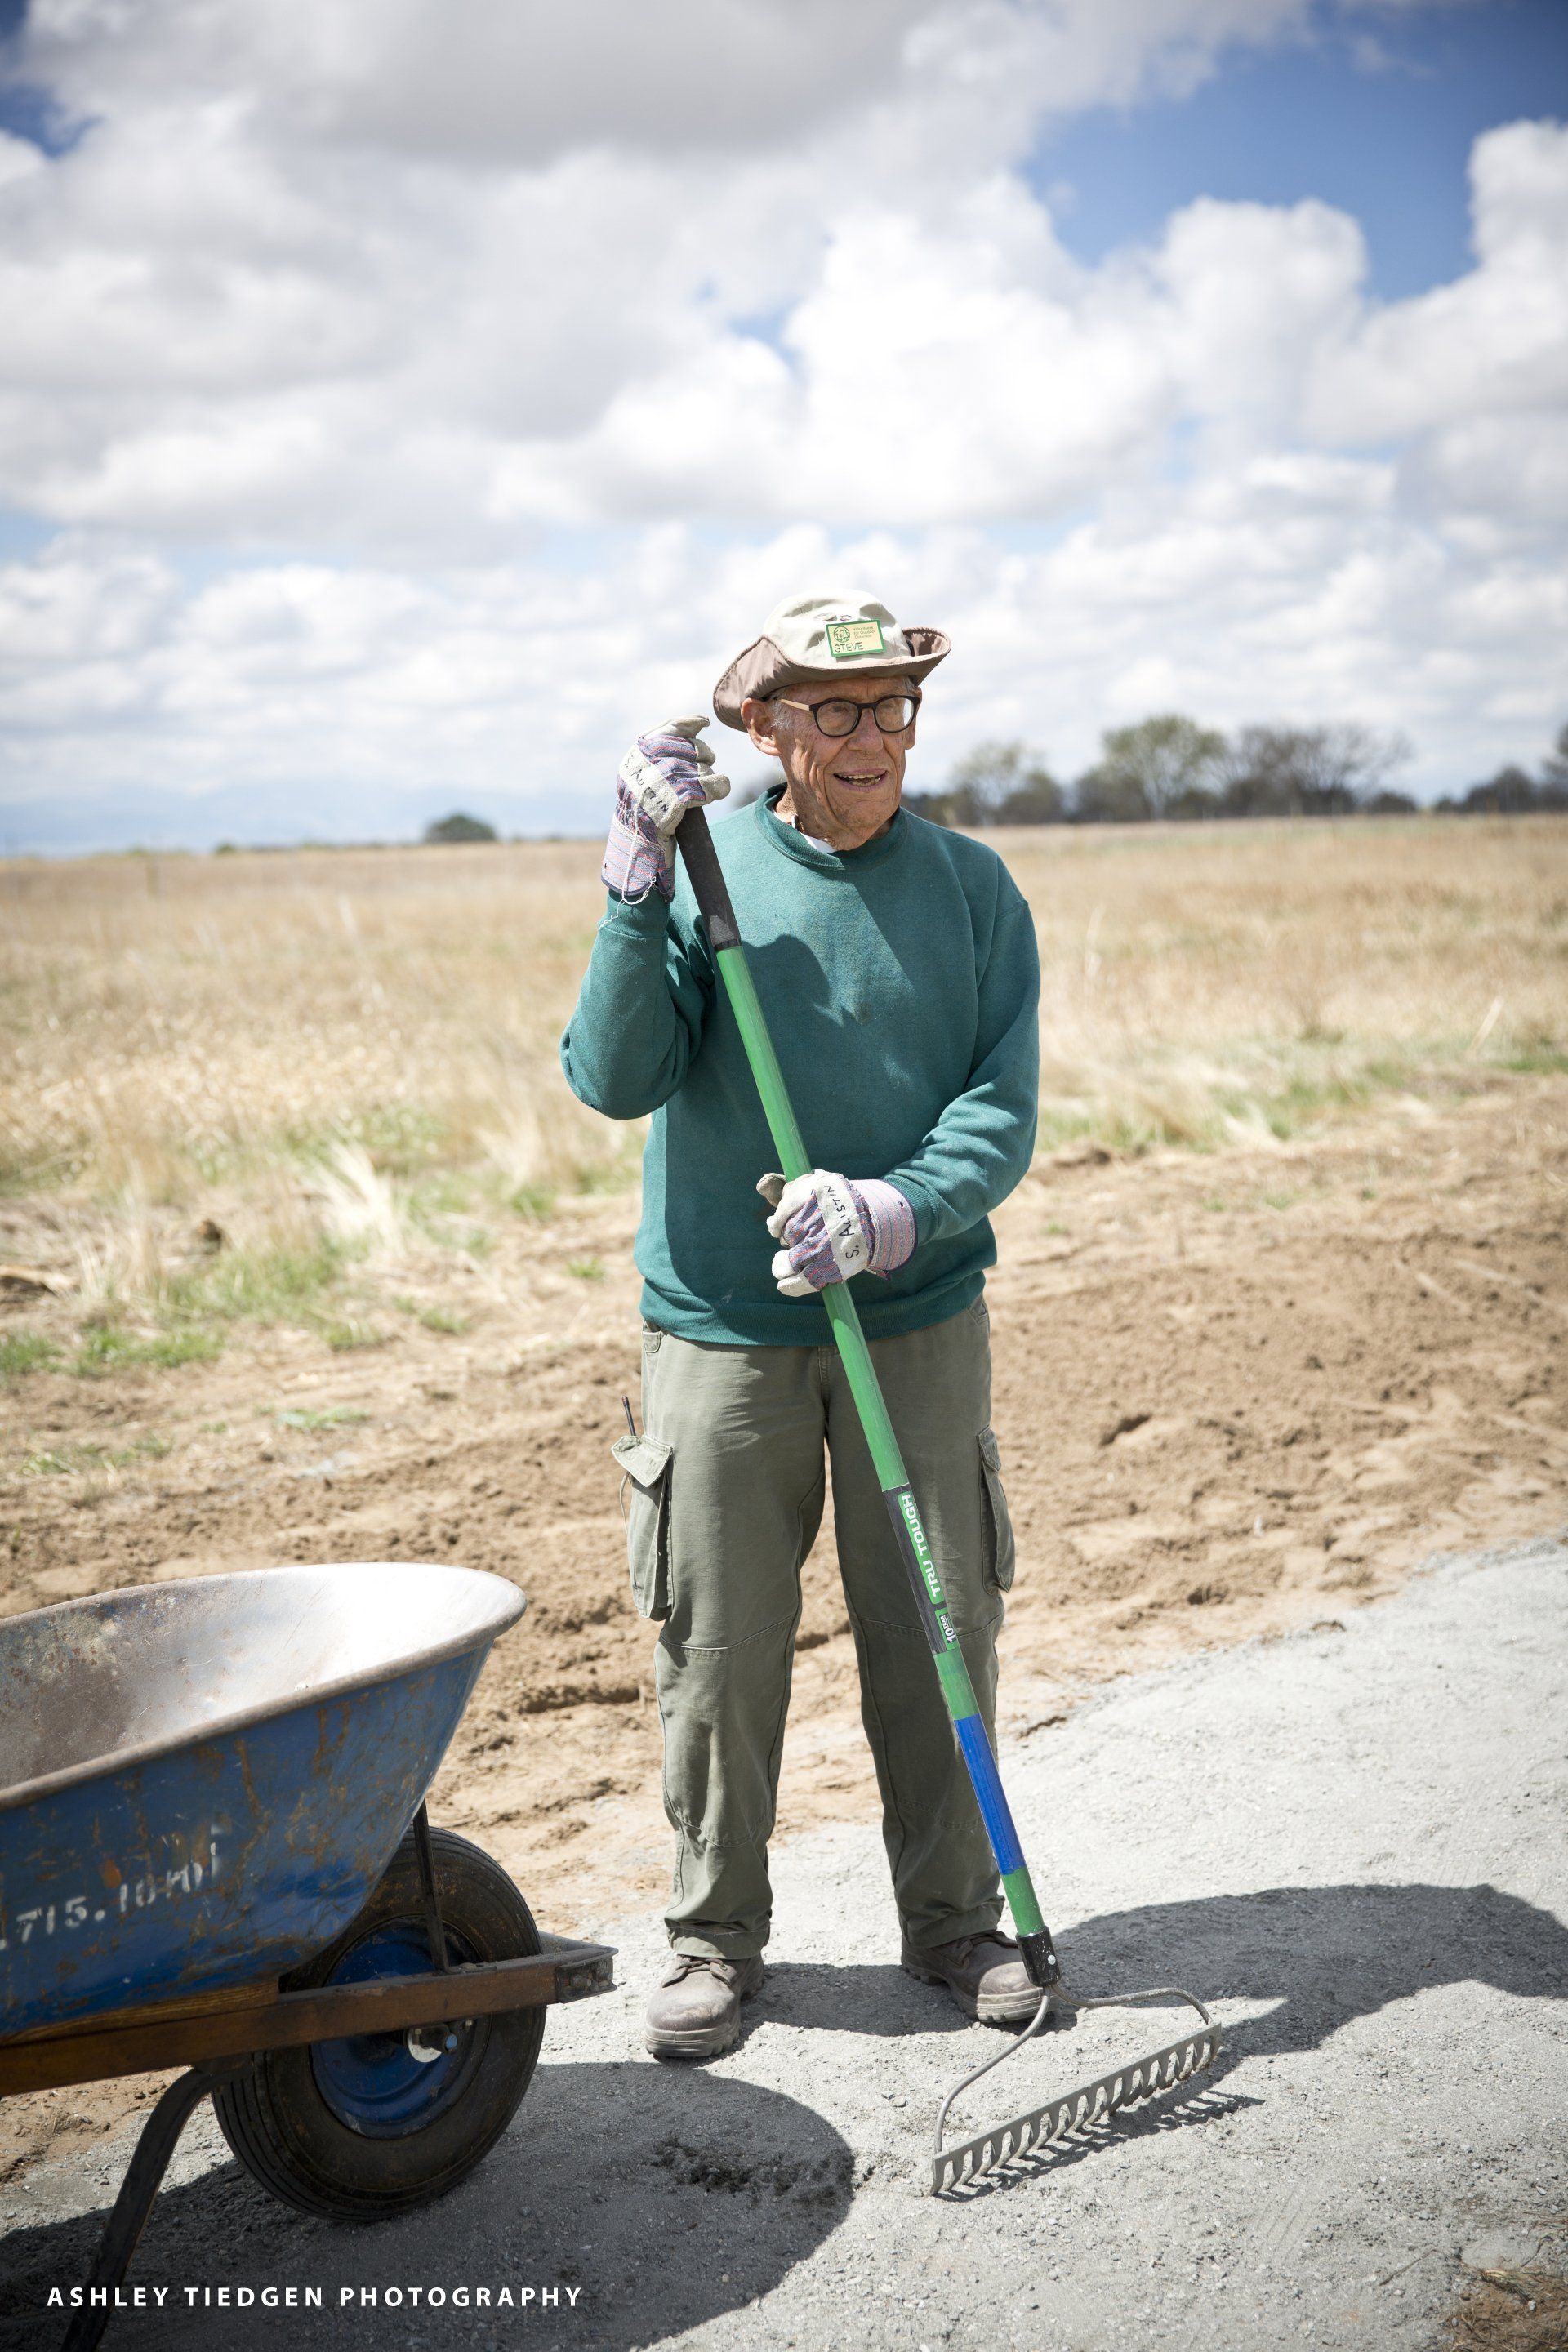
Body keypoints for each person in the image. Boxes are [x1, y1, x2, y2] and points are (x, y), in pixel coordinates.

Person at [559, 593, 1041, 2059]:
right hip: (722, 1328)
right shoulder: (709, 872)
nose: (876, 738)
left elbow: (1000, 1110)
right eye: (838, 710)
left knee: (938, 1630)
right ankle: (714, 1943)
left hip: (915, 1319)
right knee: (719, 1648)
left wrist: (895, 1212)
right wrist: (635, 890)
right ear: (765, 728)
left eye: (895, 708)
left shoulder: (971, 890)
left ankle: (959, 1923)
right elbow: (614, 1075)